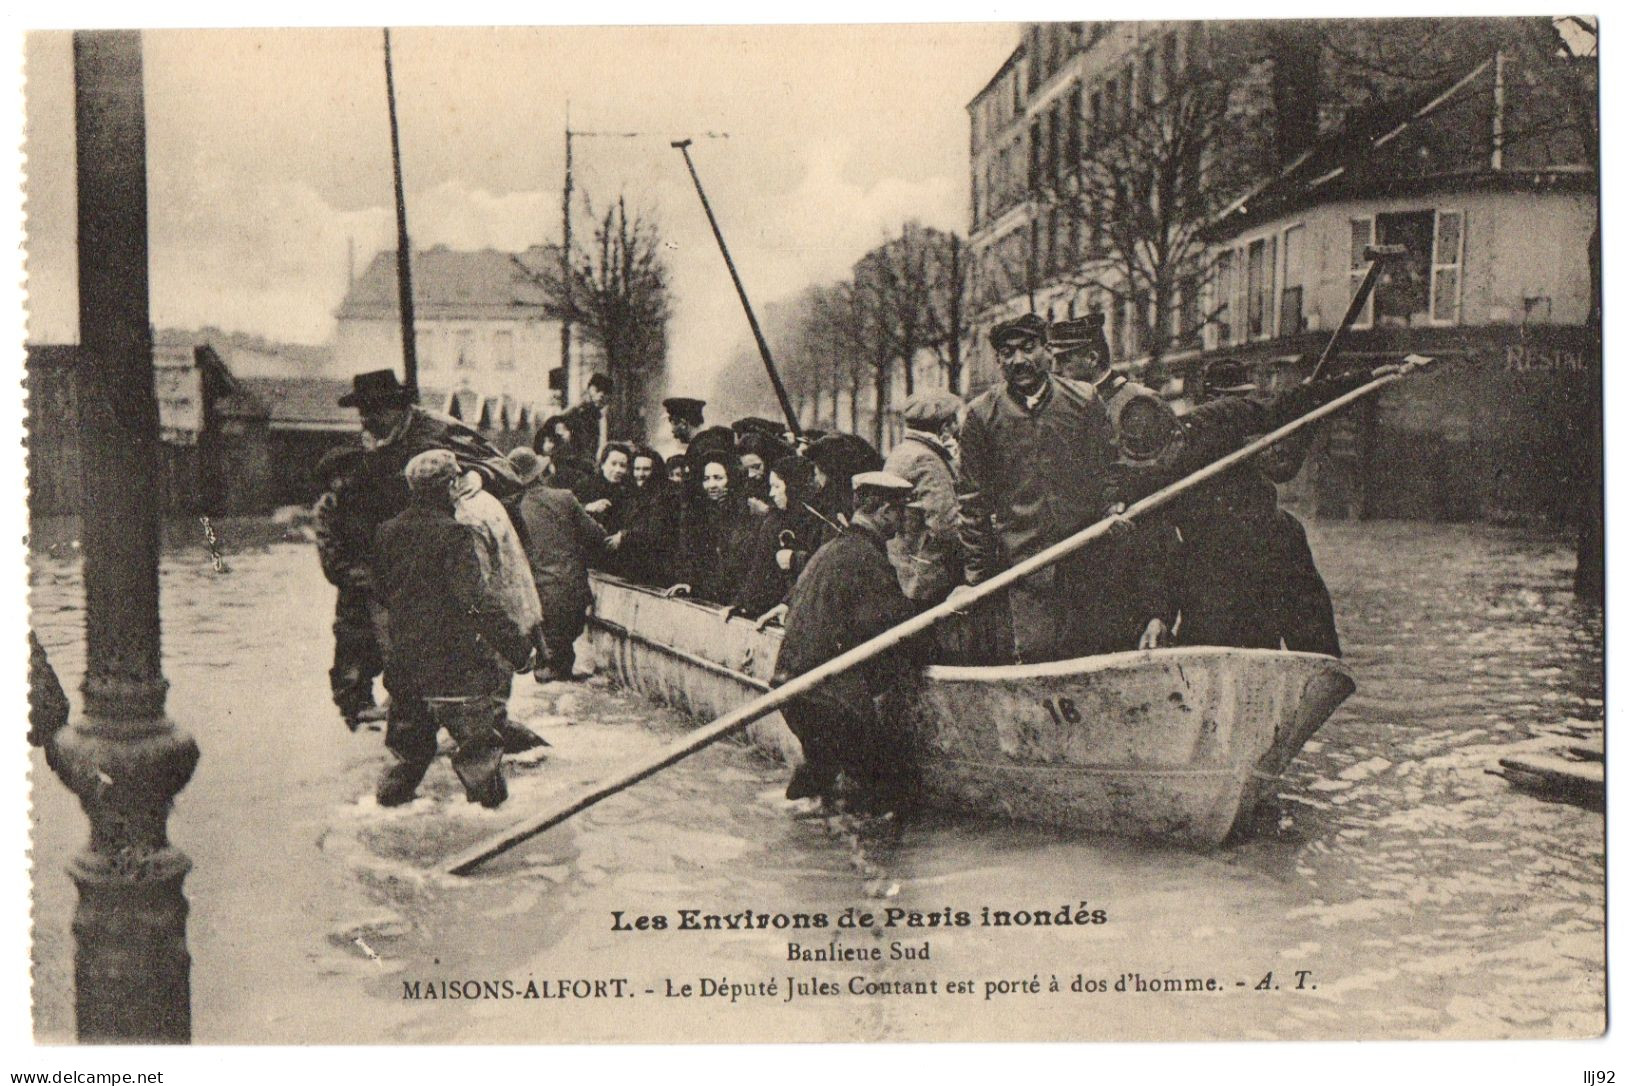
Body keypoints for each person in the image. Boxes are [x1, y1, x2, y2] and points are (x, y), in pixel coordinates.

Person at [953, 313, 1118, 663]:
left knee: (1092, 660)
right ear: (998, 361)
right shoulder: (982, 416)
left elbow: (1106, 473)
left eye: (1029, 349)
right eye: (1008, 353)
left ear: (1047, 351)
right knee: (1036, 664)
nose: (1019, 361)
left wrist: (1111, 510)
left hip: (1085, 561)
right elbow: (972, 502)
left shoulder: (1083, 400)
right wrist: (977, 578)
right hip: (1024, 572)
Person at [372, 451, 531, 808]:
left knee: (405, 762)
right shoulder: (454, 535)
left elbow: (380, 598)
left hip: (405, 670)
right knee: (480, 765)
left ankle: (386, 815)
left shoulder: (386, 532)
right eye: (457, 478)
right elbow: (474, 602)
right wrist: (518, 650)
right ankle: (493, 834)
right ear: (449, 486)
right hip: (455, 669)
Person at [773, 471, 924, 811]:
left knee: (820, 783)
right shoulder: (865, 559)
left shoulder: (829, 551)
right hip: (832, 699)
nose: (901, 522)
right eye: (899, 512)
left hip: (792, 689)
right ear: (884, 511)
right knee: (892, 796)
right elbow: (896, 628)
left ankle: (807, 826)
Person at [509, 447, 610, 683]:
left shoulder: (512, 508)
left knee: (546, 666)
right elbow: (597, 536)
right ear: (541, 474)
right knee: (559, 662)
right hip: (570, 591)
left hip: (533, 596)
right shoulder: (564, 498)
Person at [312, 444, 387, 730]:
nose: (341, 483)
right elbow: (332, 563)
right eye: (336, 477)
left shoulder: (377, 501)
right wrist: (369, 579)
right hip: (357, 594)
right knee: (351, 660)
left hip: (388, 590)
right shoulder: (329, 508)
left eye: (346, 475)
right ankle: (357, 720)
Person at [883, 389, 964, 608]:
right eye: (954, 422)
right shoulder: (927, 460)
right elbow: (947, 526)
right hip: (928, 579)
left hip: (904, 569)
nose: (957, 428)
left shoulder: (902, 452)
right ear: (944, 426)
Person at [673, 452, 755, 606]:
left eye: (718, 478)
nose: (711, 485)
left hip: (735, 598)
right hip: (707, 595)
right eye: (706, 479)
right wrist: (689, 583)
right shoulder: (699, 513)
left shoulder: (745, 512)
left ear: (731, 479)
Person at [561, 373, 613, 458]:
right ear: (589, 389)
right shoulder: (577, 410)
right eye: (597, 390)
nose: (601, 395)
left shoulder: (603, 415)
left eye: (605, 392)